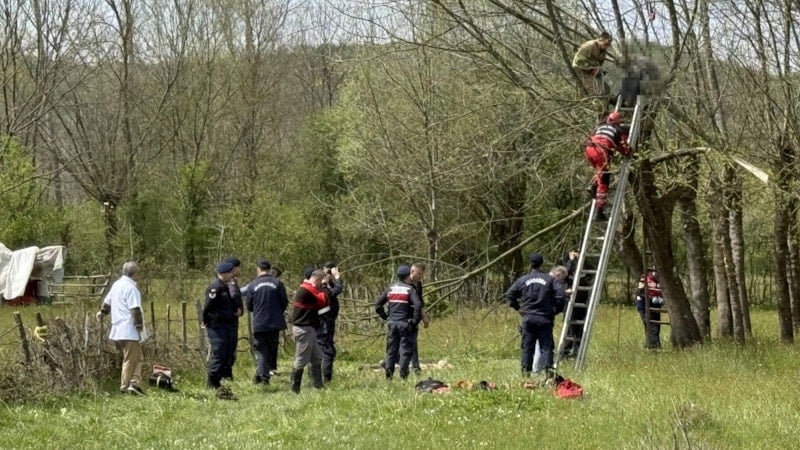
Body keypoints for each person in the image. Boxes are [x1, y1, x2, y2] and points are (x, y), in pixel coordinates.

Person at [504, 253, 560, 376]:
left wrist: (518, 308)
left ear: (531, 264)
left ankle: (525, 374)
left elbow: (509, 295)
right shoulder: (550, 280)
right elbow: (560, 295)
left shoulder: (523, 280)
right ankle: (548, 375)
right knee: (546, 347)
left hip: (528, 318)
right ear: (542, 263)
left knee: (527, 348)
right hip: (545, 318)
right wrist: (555, 310)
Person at [96, 261, 146, 395]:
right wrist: (139, 327)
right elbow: (135, 309)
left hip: (117, 330)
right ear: (134, 274)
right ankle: (125, 387)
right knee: (130, 359)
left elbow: (107, 303)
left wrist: (102, 313)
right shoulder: (131, 288)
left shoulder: (116, 285)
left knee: (139, 357)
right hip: (128, 329)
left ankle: (134, 384)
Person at [242, 258, 288, 385]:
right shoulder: (278, 284)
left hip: (260, 323)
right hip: (275, 323)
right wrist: (277, 312)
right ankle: (262, 374)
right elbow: (284, 302)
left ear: (258, 269)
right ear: (269, 269)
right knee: (271, 349)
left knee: (261, 350)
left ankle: (263, 377)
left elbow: (249, 305)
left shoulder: (252, 285)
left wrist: (257, 311)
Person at [375, 265, 422, 379]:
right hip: (405, 324)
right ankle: (403, 374)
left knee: (391, 350)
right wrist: (415, 321)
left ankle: (389, 376)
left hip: (392, 324)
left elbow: (378, 304)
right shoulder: (409, 289)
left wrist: (385, 316)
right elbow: (418, 304)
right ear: (408, 276)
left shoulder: (390, 288)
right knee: (405, 350)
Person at [584, 111, 632, 220]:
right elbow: (624, 148)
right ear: (618, 122)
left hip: (590, 149)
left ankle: (593, 185)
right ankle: (599, 212)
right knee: (604, 180)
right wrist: (630, 152)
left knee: (600, 173)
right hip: (601, 151)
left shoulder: (601, 127)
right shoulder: (618, 131)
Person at [202, 261, 238, 399]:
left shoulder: (226, 287)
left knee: (227, 353)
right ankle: (212, 381)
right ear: (223, 273)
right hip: (216, 325)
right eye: (229, 273)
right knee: (219, 352)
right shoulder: (215, 288)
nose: (231, 275)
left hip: (227, 325)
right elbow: (208, 307)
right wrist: (205, 321)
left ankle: (217, 380)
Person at [290, 268, 328, 393]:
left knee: (317, 357)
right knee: (301, 359)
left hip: (308, 328)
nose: (320, 285)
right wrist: (325, 286)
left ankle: (318, 386)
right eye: (320, 282)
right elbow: (323, 301)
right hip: (304, 329)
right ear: (317, 280)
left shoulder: (306, 288)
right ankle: (294, 389)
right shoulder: (306, 290)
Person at [533, 265, 568, 373]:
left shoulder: (539, 279)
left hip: (530, 315)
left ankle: (534, 368)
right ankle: (537, 369)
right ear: (557, 274)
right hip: (543, 316)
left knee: (534, 345)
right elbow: (553, 295)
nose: (560, 282)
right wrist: (564, 293)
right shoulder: (550, 281)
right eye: (561, 279)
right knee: (543, 345)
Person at [561, 250, 593, 357]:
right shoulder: (566, 269)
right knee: (570, 327)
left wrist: (582, 258)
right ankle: (565, 352)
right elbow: (566, 272)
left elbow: (591, 271)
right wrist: (570, 259)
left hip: (582, 301)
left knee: (580, 327)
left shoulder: (583, 268)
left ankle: (577, 350)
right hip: (569, 302)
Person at [317, 261, 343, 383]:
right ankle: (326, 378)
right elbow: (335, 291)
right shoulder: (321, 286)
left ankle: (318, 377)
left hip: (325, 321)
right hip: (324, 322)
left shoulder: (323, 284)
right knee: (327, 349)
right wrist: (337, 278)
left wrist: (331, 281)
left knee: (322, 347)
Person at [222, 256, 244, 381]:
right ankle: (226, 374)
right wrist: (237, 308)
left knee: (229, 348)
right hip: (230, 321)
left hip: (228, 321)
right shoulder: (231, 282)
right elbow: (234, 294)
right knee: (229, 347)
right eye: (238, 267)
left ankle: (226, 373)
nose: (239, 269)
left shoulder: (229, 281)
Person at [572, 32, 613, 97]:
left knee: (606, 89)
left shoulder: (603, 50)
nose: (606, 47)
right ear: (600, 40)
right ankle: (596, 105)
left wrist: (600, 70)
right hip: (580, 71)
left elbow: (599, 64)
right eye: (605, 44)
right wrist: (592, 68)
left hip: (591, 71)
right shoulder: (589, 46)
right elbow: (579, 62)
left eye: (608, 45)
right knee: (595, 92)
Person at [408, 262, 429, 374]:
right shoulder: (405, 284)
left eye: (422, 274)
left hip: (415, 317)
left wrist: (424, 316)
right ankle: (415, 367)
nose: (420, 276)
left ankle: (415, 366)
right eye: (419, 274)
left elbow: (420, 302)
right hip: (404, 317)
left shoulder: (418, 284)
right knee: (406, 342)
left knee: (411, 341)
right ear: (412, 272)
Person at [636, 269, 664, 349]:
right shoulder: (644, 278)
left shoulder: (661, 280)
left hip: (656, 305)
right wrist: (650, 298)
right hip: (644, 305)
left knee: (657, 326)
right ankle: (654, 347)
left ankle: (649, 345)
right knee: (652, 326)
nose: (657, 273)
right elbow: (640, 292)